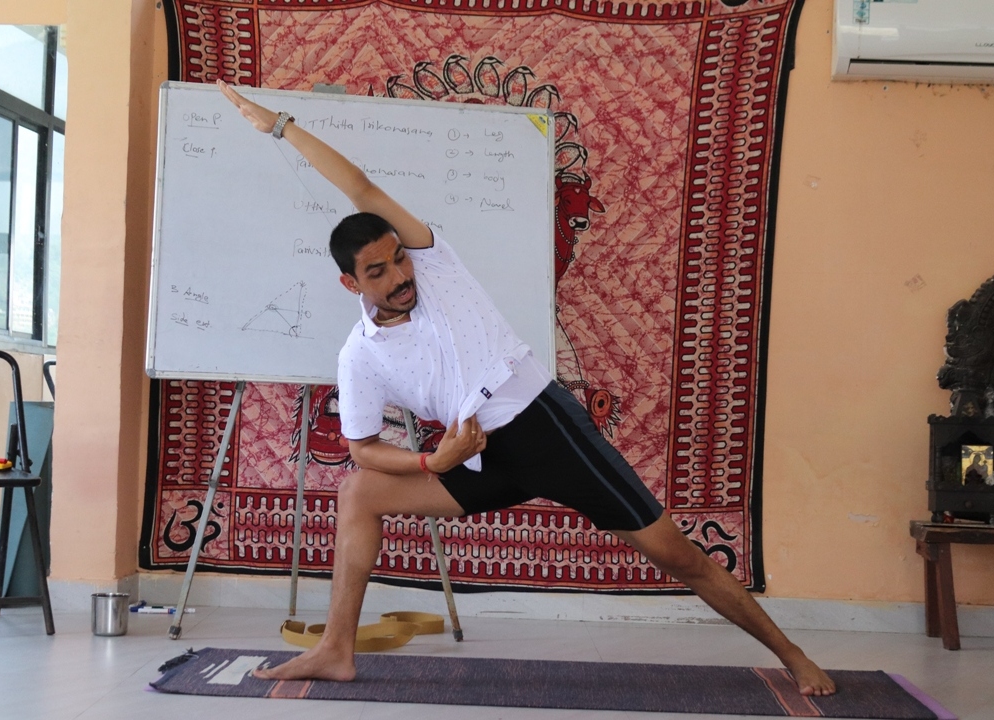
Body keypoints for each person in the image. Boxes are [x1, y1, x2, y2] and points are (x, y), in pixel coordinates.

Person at [218, 80, 836, 696]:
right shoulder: (359, 356)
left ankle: (792, 654)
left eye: (397, 259)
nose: (400, 275)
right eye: (378, 271)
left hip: (544, 426)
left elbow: (361, 189)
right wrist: (431, 461)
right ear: (353, 286)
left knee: (676, 555)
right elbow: (362, 450)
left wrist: (281, 127)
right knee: (359, 491)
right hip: (478, 455)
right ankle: (335, 650)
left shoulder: (436, 267)